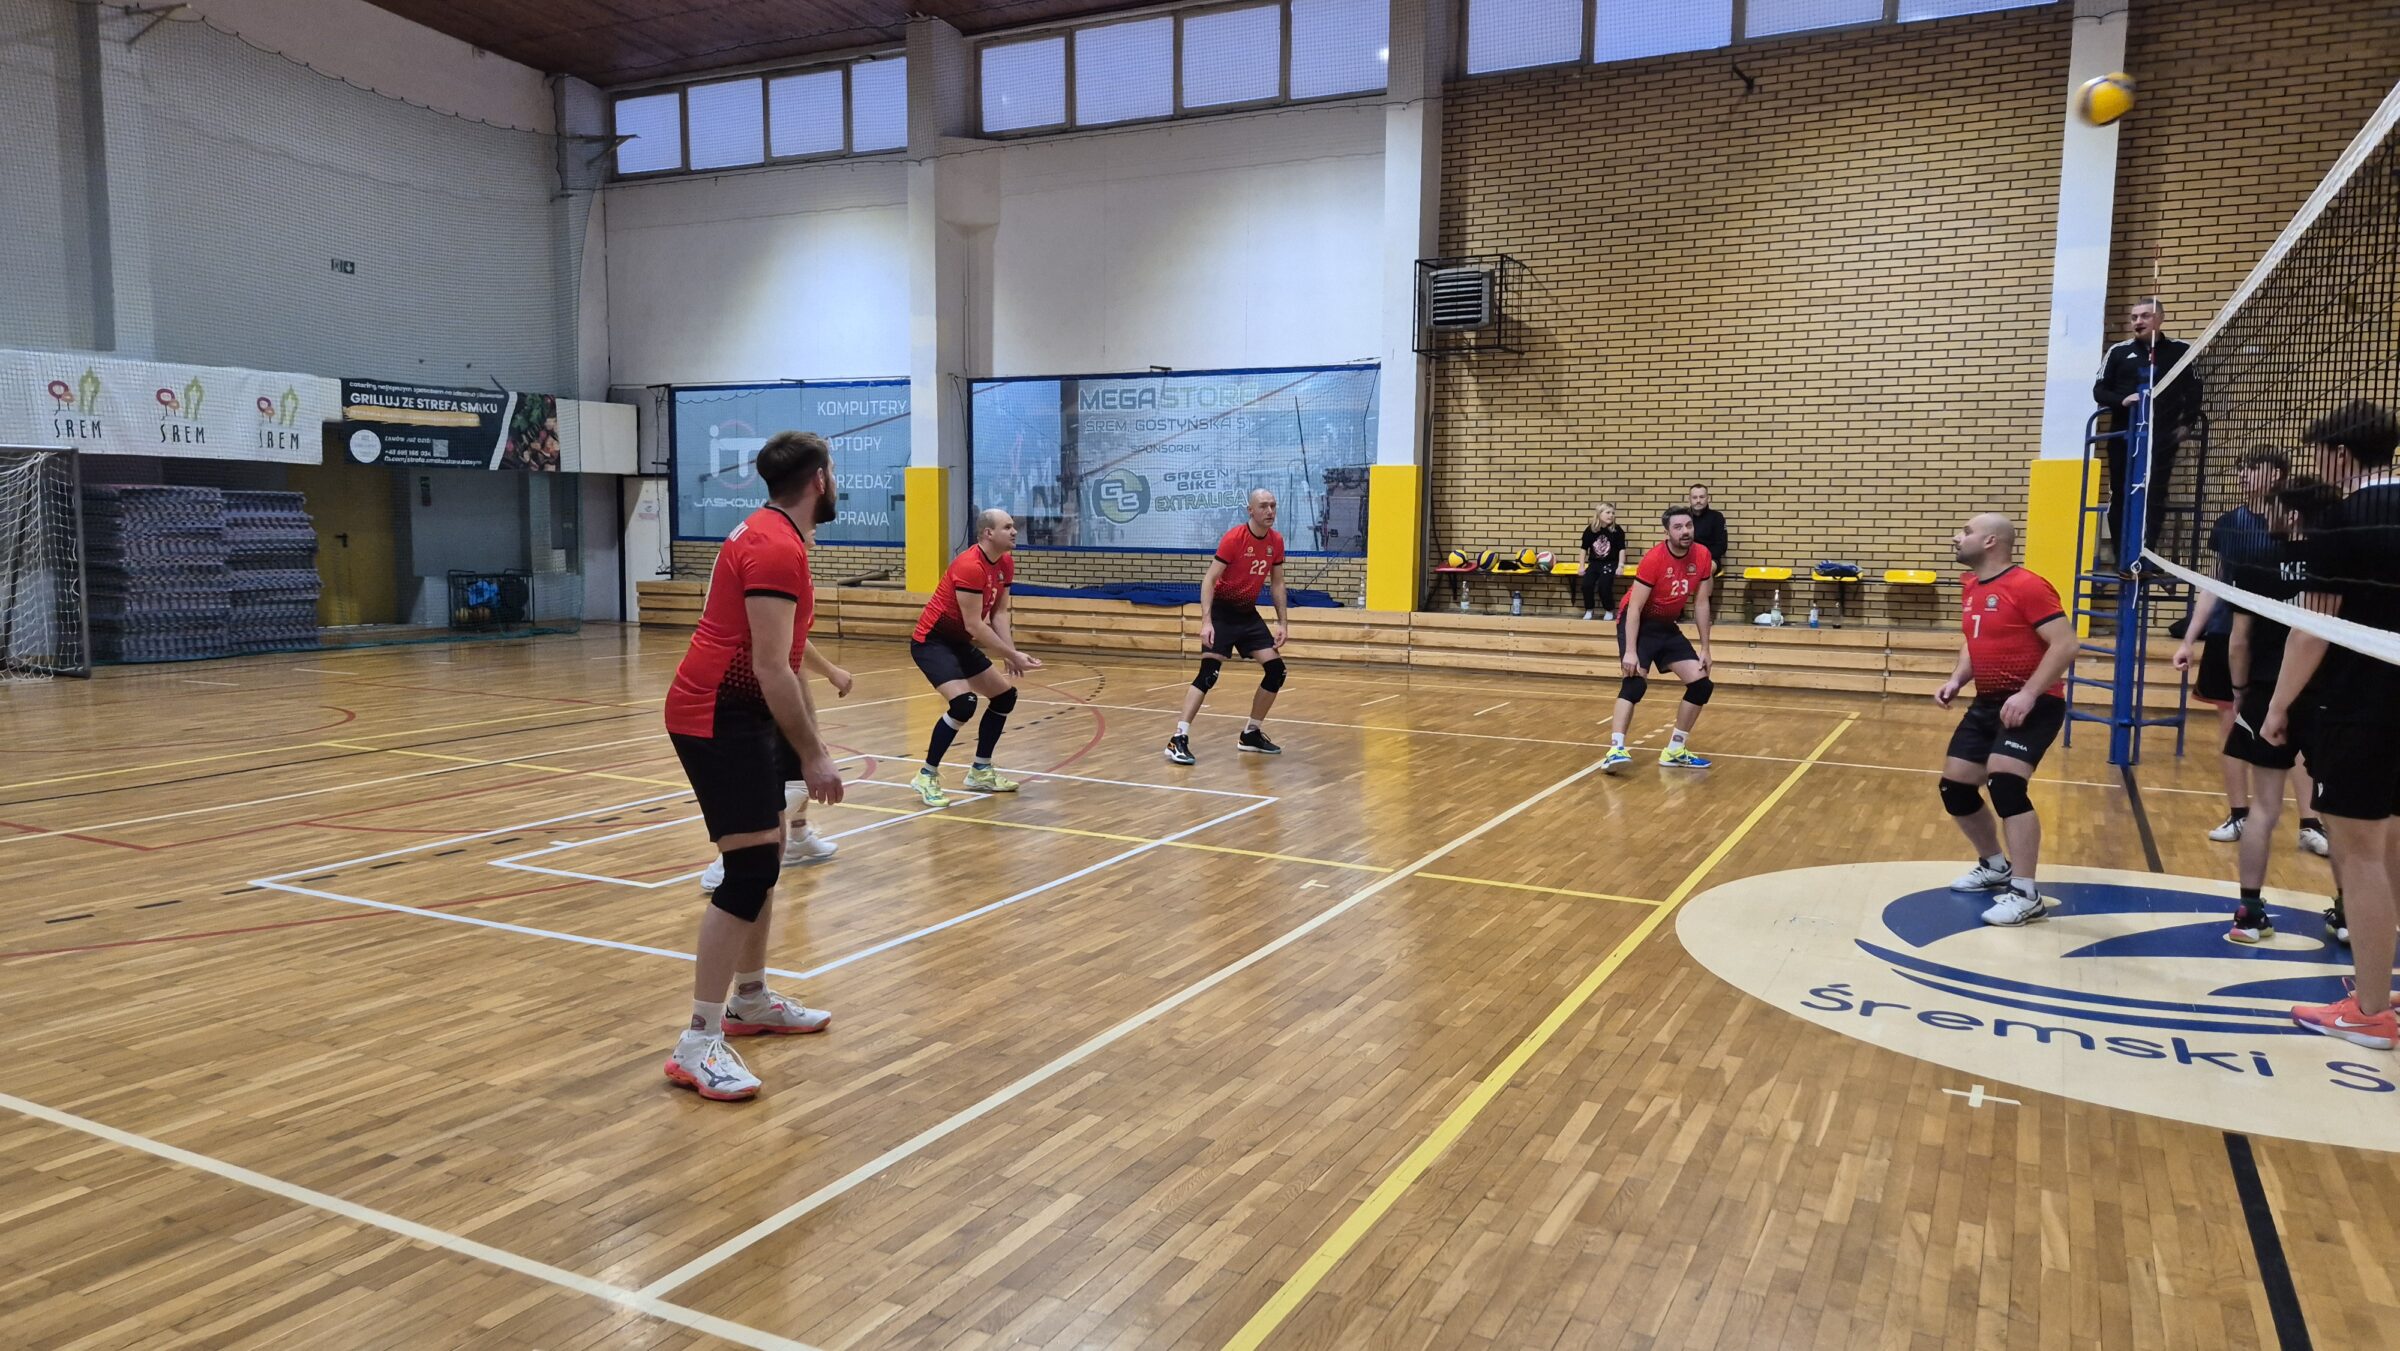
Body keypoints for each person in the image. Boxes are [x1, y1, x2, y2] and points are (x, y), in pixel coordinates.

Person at [658, 431, 844, 1102]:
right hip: (715, 711)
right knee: (748, 869)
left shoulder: (779, 536)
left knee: (769, 852)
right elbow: (769, 665)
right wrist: (814, 754)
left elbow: (786, 659)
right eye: (832, 471)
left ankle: (751, 1000)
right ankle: (698, 1042)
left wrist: (809, 741)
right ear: (819, 479)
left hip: (743, 710)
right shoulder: (773, 546)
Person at [2263, 400, 2400, 1049]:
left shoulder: (2341, 521)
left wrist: (2277, 707)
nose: (2318, 468)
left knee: (2361, 855)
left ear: (2341, 456)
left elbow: (2311, 630)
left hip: (2362, 706)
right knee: (2393, 847)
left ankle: (2370, 1012)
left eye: (2320, 456)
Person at [2171, 448, 2329, 855]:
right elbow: (2214, 584)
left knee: (2294, 729)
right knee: (2234, 724)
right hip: (2233, 634)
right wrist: (2190, 638)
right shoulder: (2230, 523)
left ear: (2276, 474)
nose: (2242, 474)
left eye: (2251, 467)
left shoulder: (2306, 522)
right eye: (2240, 467)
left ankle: (2310, 822)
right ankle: (2239, 813)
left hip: (2290, 645)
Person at [1936, 513, 2080, 928]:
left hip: (2034, 703)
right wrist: (1957, 678)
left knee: (2006, 783)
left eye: (1965, 531)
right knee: (1955, 788)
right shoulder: (1971, 586)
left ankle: (2026, 893)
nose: (1956, 537)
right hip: (1988, 702)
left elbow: (2066, 644)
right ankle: (1994, 865)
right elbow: (1975, 640)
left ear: (1990, 542)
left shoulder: (2027, 585)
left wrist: (2029, 693)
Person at [2218, 475, 2342, 943]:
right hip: (2329, 695)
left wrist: (2240, 691)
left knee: (2264, 809)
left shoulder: (2255, 562)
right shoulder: (2342, 563)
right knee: (2338, 812)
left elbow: (2239, 641)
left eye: (2272, 507)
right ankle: (2348, 913)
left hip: (2268, 693)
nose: (2264, 515)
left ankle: (2248, 915)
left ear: (2291, 514)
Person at [908, 509, 1041, 807]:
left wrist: (1010, 653)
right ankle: (926, 775)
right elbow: (975, 625)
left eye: (1013, 526)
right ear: (988, 533)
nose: (1014, 531)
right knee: (963, 704)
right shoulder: (970, 566)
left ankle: (981, 770)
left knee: (1004, 697)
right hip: (932, 642)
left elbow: (998, 613)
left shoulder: (1005, 562)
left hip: (958, 641)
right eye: (1007, 527)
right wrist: (1011, 654)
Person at [1165, 489, 1291, 765]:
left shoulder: (1276, 541)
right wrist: (1206, 621)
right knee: (1208, 674)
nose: (1270, 511)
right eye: (1263, 506)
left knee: (1276, 671)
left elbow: (1278, 583)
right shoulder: (1234, 538)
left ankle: (1251, 733)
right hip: (1222, 612)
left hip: (1247, 615)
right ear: (1250, 510)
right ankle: (1178, 738)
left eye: (1273, 505)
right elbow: (1209, 580)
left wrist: (1282, 622)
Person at [1602, 505, 1715, 774]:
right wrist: (1630, 651)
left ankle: (1675, 750)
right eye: (1678, 527)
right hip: (1639, 623)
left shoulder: (1702, 555)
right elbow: (1634, 608)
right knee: (1635, 683)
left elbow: (1701, 603)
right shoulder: (1654, 558)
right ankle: (1615, 749)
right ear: (1667, 532)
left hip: (1666, 626)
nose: (1685, 531)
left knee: (1701, 685)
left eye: (1688, 525)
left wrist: (1705, 648)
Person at [2092, 297, 2203, 565]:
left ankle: (2147, 554)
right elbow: (2099, 390)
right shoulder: (2118, 352)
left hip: (2163, 438)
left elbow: (2195, 391)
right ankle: (2122, 557)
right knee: (2121, 493)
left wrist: (2187, 424)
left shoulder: (2181, 350)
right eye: (2134, 317)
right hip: (2124, 436)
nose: (2138, 321)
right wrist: (2122, 400)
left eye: (2145, 316)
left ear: (2159, 318)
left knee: (2155, 494)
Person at [1580, 503, 1626, 621]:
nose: (1611, 515)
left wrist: (1620, 566)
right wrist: (1581, 566)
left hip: (1610, 563)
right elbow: (1583, 549)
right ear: (1599, 514)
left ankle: (1609, 609)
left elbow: (1621, 549)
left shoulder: (1617, 530)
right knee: (1586, 585)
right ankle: (1589, 609)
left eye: (1613, 513)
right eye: (1608, 512)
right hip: (1594, 564)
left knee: (1604, 585)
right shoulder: (1590, 530)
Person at [1687, 484, 1729, 607]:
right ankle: (1675, 611)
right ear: (1689, 499)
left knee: (1706, 568)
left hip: (1710, 558)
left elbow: (1721, 546)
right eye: (1694, 497)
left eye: (1701, 497)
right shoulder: (1683, 517)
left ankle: (1705, 608)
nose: (1698, 500)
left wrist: (1702, 557)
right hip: (1685, 557)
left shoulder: (1717, 517)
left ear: (1708, 498)